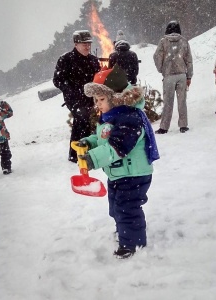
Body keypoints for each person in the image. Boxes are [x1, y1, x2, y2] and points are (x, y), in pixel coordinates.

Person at [76, 64, 159, 259]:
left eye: (102, 99)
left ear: (116, 98)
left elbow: (117, 147)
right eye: (96, 100)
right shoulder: (110, 117)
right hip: (118, 173)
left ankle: (133, 243)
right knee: (115, 207)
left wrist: (92, 159)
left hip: (134, 174)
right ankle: (125, 230)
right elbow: (103, 138)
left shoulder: (130, 118)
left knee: (127, 208)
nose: (97, 104)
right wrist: (89, 143)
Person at [53, 30, 101, 163]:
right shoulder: (65, 59)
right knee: (81, 119)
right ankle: (75, 155)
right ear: (76, 44)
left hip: (91, 97)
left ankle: (90, 150)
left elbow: (99, 78)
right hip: (74, 99)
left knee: (93, 121)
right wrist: (73, 90)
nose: (87, 46)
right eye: (84, 44)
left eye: (89, 43)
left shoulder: (93, 60)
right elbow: (57, 80)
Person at [153, 20, 193, 134]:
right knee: (182, 101)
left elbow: (157, 57)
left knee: (168, 102)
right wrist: (189, 76)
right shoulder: (184, 41)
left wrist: (161, 69)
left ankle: (164, 127)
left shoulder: (163, 41)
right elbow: (189, 60)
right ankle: (183, 125)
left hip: (169, 76)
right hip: (182, 75)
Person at [0, 100, 13, 175]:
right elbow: (10, 113)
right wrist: (4, 104)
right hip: (1, 136)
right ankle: (6, 167)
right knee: (5, 152)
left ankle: (6, 167)